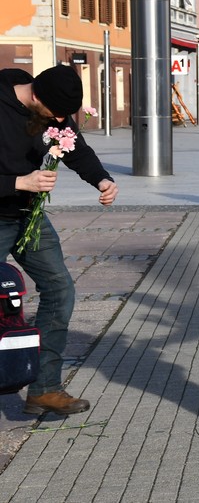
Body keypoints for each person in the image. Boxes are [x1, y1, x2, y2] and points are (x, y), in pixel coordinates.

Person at [0, 64, 118, 415]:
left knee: (60, 289)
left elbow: (76, 149)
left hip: (28, 217)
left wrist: (102, 180)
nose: (61, 121)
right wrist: (18, 183)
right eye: (56, 115)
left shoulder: (53, 108)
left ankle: (44, 389)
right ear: (35, 95)